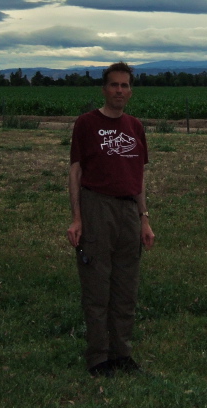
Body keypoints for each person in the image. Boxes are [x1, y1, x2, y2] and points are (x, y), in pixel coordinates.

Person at [66, 62, 156, 377]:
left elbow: (139, 176)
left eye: (125, 85)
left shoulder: (135, 127)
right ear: (104, 89)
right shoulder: (87, 124)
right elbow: (76, 171)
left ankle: (122, 354)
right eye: (114, 85)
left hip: (129, 210)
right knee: (96, 286)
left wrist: (144, 218)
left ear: (130, 91)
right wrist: (77, 218)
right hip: (97, 207)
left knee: (125, 287)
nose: (120, 90)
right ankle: (98, 358)